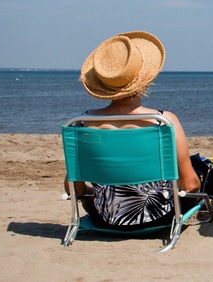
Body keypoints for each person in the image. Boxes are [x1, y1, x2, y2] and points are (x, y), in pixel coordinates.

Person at [65, 31, 202, 231]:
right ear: (144, 79)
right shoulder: (163, 122)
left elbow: (74, 189)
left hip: (106, 218)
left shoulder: (83, 124)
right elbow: (190, 185)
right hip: (160, 216)